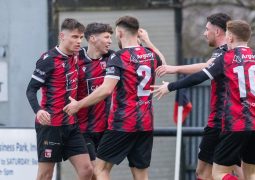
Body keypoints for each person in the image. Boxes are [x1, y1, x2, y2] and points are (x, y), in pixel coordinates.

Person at [152, 20, 255, 180]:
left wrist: (170, 87)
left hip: (236, 125)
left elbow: (199, 77)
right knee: (250, 175)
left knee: (219, 174)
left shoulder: (226, 58)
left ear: (229, 38)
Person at [63, 16, 162, 180]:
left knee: (99, 170)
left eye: (112, 35)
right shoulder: (150, 55)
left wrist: (78, 104)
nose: (111, 39)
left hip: (122, 122)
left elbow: (106, 89)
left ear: (120, 33)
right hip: (146, 123)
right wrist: (148, 42)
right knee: (141, 174)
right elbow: (164, 65)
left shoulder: (118, 57)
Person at [156, 13, 243, 180]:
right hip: (242, 120)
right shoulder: (237, 53)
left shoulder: (222, 53)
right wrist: (175, 68)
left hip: (221, 121)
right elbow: (206, 66)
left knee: (204, 173)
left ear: (217, 31)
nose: (205, 33)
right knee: (238, 172)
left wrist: (170, 86)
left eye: (207, 29)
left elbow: (202, 74)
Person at [26, 18, 93, 180]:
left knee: (87, 170)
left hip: (71, 125)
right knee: (45, 175)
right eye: (74, 37)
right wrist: (39, 110)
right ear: (62, 36)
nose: (78, 41)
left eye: (80, 37)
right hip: (50, 126)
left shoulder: (78, 55)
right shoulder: (48, 60)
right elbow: (30, 90)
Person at [77, 22, 114, 180]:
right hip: (83, 129)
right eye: (106, 37)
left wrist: (147, 42)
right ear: (92, 38)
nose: (110, 41)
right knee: (92, 171)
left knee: (98, 173)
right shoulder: (75, 59)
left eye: (111, 37)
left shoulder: (113, 58)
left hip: (106, 128)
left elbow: (158, 62)